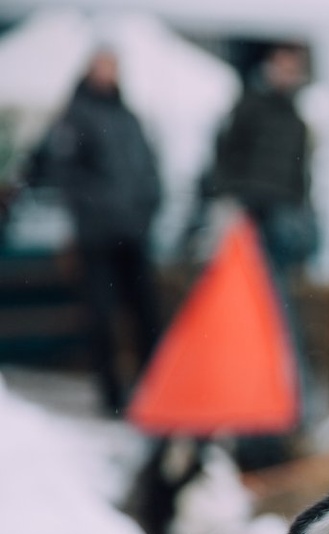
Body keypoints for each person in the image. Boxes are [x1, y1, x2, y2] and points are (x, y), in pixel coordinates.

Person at [212, 42, 315, 464]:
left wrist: (301, 212)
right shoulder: (249, 108)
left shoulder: (296, 118)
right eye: (283, 65)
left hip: (283, 221)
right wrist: (231, 202)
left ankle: (280, 409)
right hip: (252, 219)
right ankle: (255, 411)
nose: (288, 74)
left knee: (280, 319)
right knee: (259, 317)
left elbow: (299, 174)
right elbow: (224, 160)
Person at [48, 48, 164, 416]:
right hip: (98, 235)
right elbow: (65, 175)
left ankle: (154, 387)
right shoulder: (75, 115)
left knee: (147, 313)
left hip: (133, 231)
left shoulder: (127, 116)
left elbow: (147, 166)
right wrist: (101, 208)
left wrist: (147, 206)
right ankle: (112, 395)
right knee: (102, 315)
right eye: (103, 66)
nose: (108, 74)